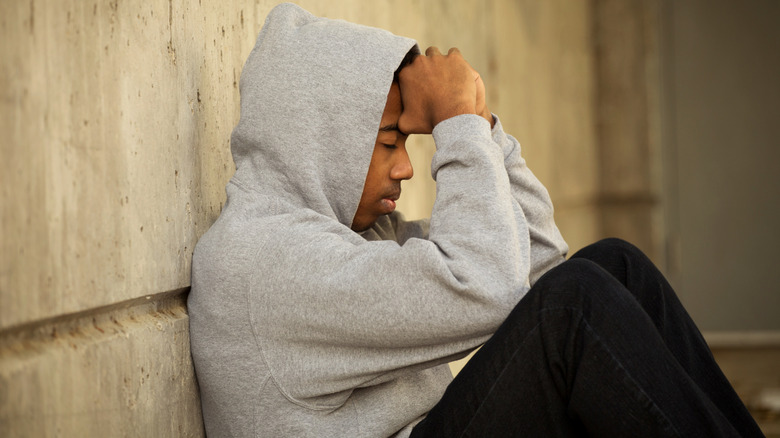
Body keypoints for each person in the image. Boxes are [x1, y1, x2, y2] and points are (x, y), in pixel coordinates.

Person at [188, 3, 764, 437]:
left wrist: (480, 125)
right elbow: (493, 288)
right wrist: (455, 120)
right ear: (322, 140)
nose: (406, 170)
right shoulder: (263, 261)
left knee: (614, 265)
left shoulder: (345, 235)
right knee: (575, 305)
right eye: (391, 141)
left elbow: (534, 264)